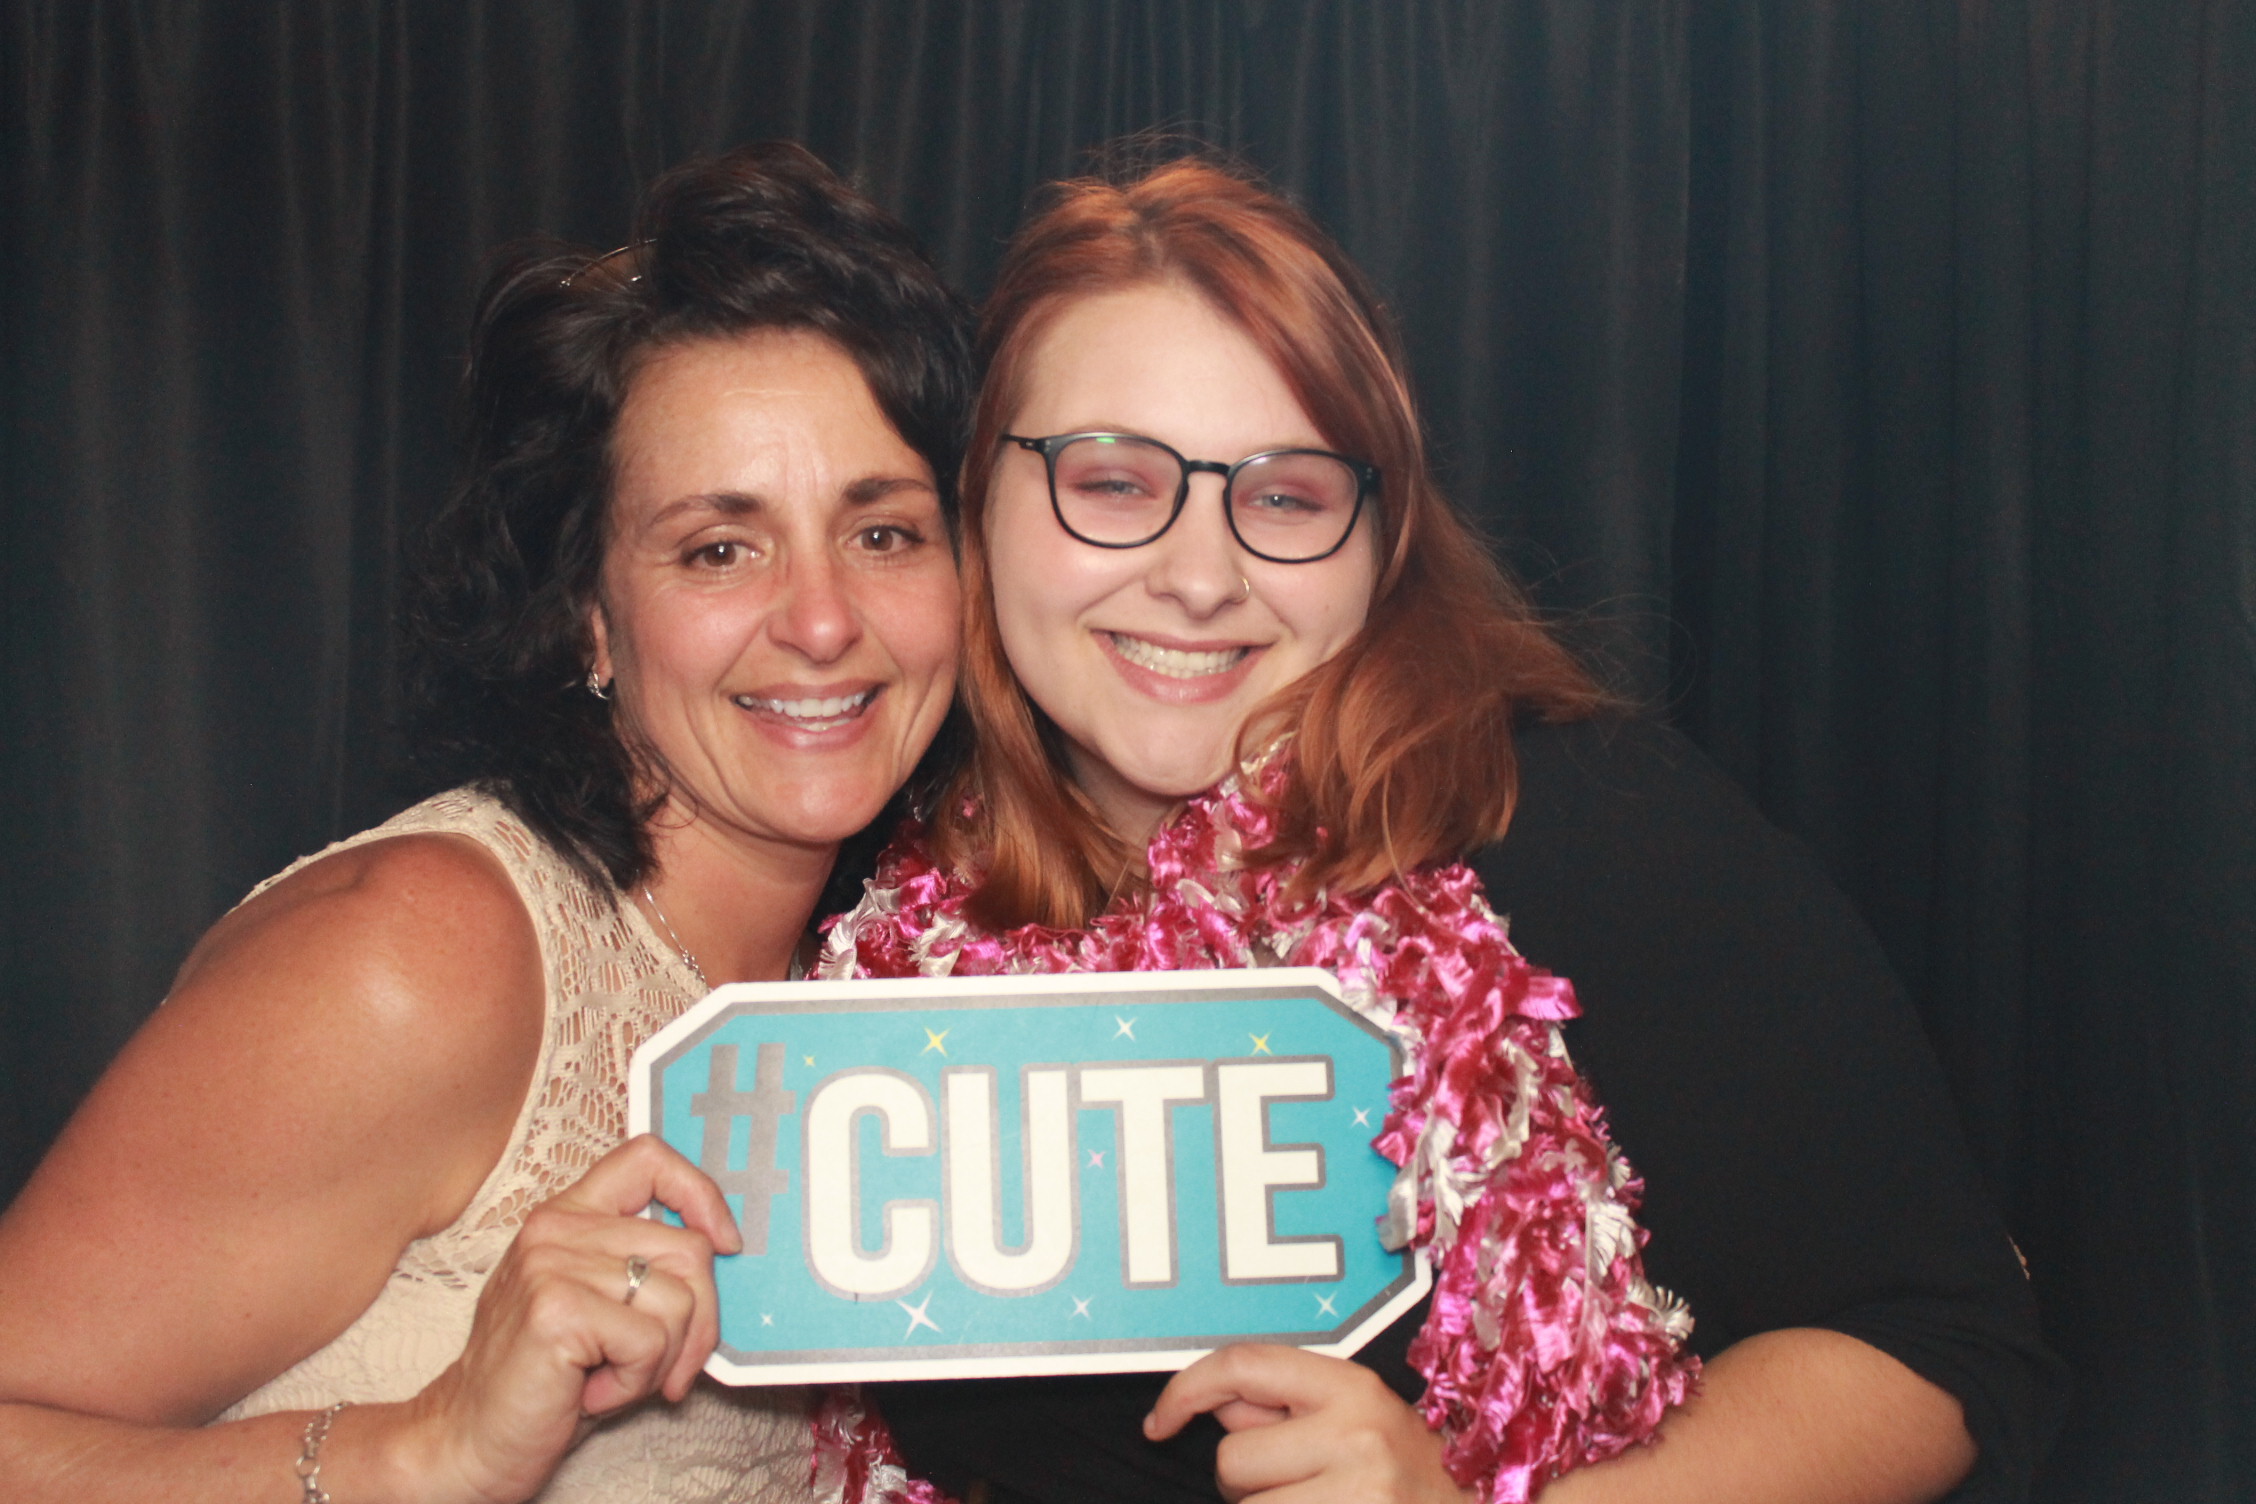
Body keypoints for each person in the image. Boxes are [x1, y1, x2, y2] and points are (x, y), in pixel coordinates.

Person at [819, 160, 2063, 1502]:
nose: (1196, 575)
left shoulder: (1586, 826)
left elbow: (1943, 1355)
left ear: (1380, 533)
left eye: (1285, 496)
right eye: (1113, 483)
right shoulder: (871, 921)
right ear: (975, 505)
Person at [0, 142, 969, 1504]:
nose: (821, 620)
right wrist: (429, 1450)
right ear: (588, 613)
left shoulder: (895, 984)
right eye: (718, 547)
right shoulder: (425, 959)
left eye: (884, 532)